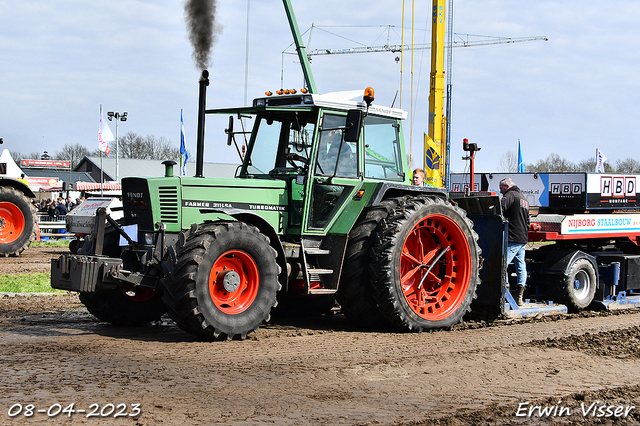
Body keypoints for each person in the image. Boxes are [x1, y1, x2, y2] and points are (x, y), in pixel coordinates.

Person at [499, 177, 530, 306]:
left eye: (501, 188)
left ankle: (506, 294)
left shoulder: (510, 195)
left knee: (502, 265)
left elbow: (500, 210)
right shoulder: (523, 198)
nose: (501, 191)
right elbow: (527, 221)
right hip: (522, 238)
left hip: (512, 237)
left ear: (507, 186)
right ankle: (519, 296)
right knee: (521, 266)